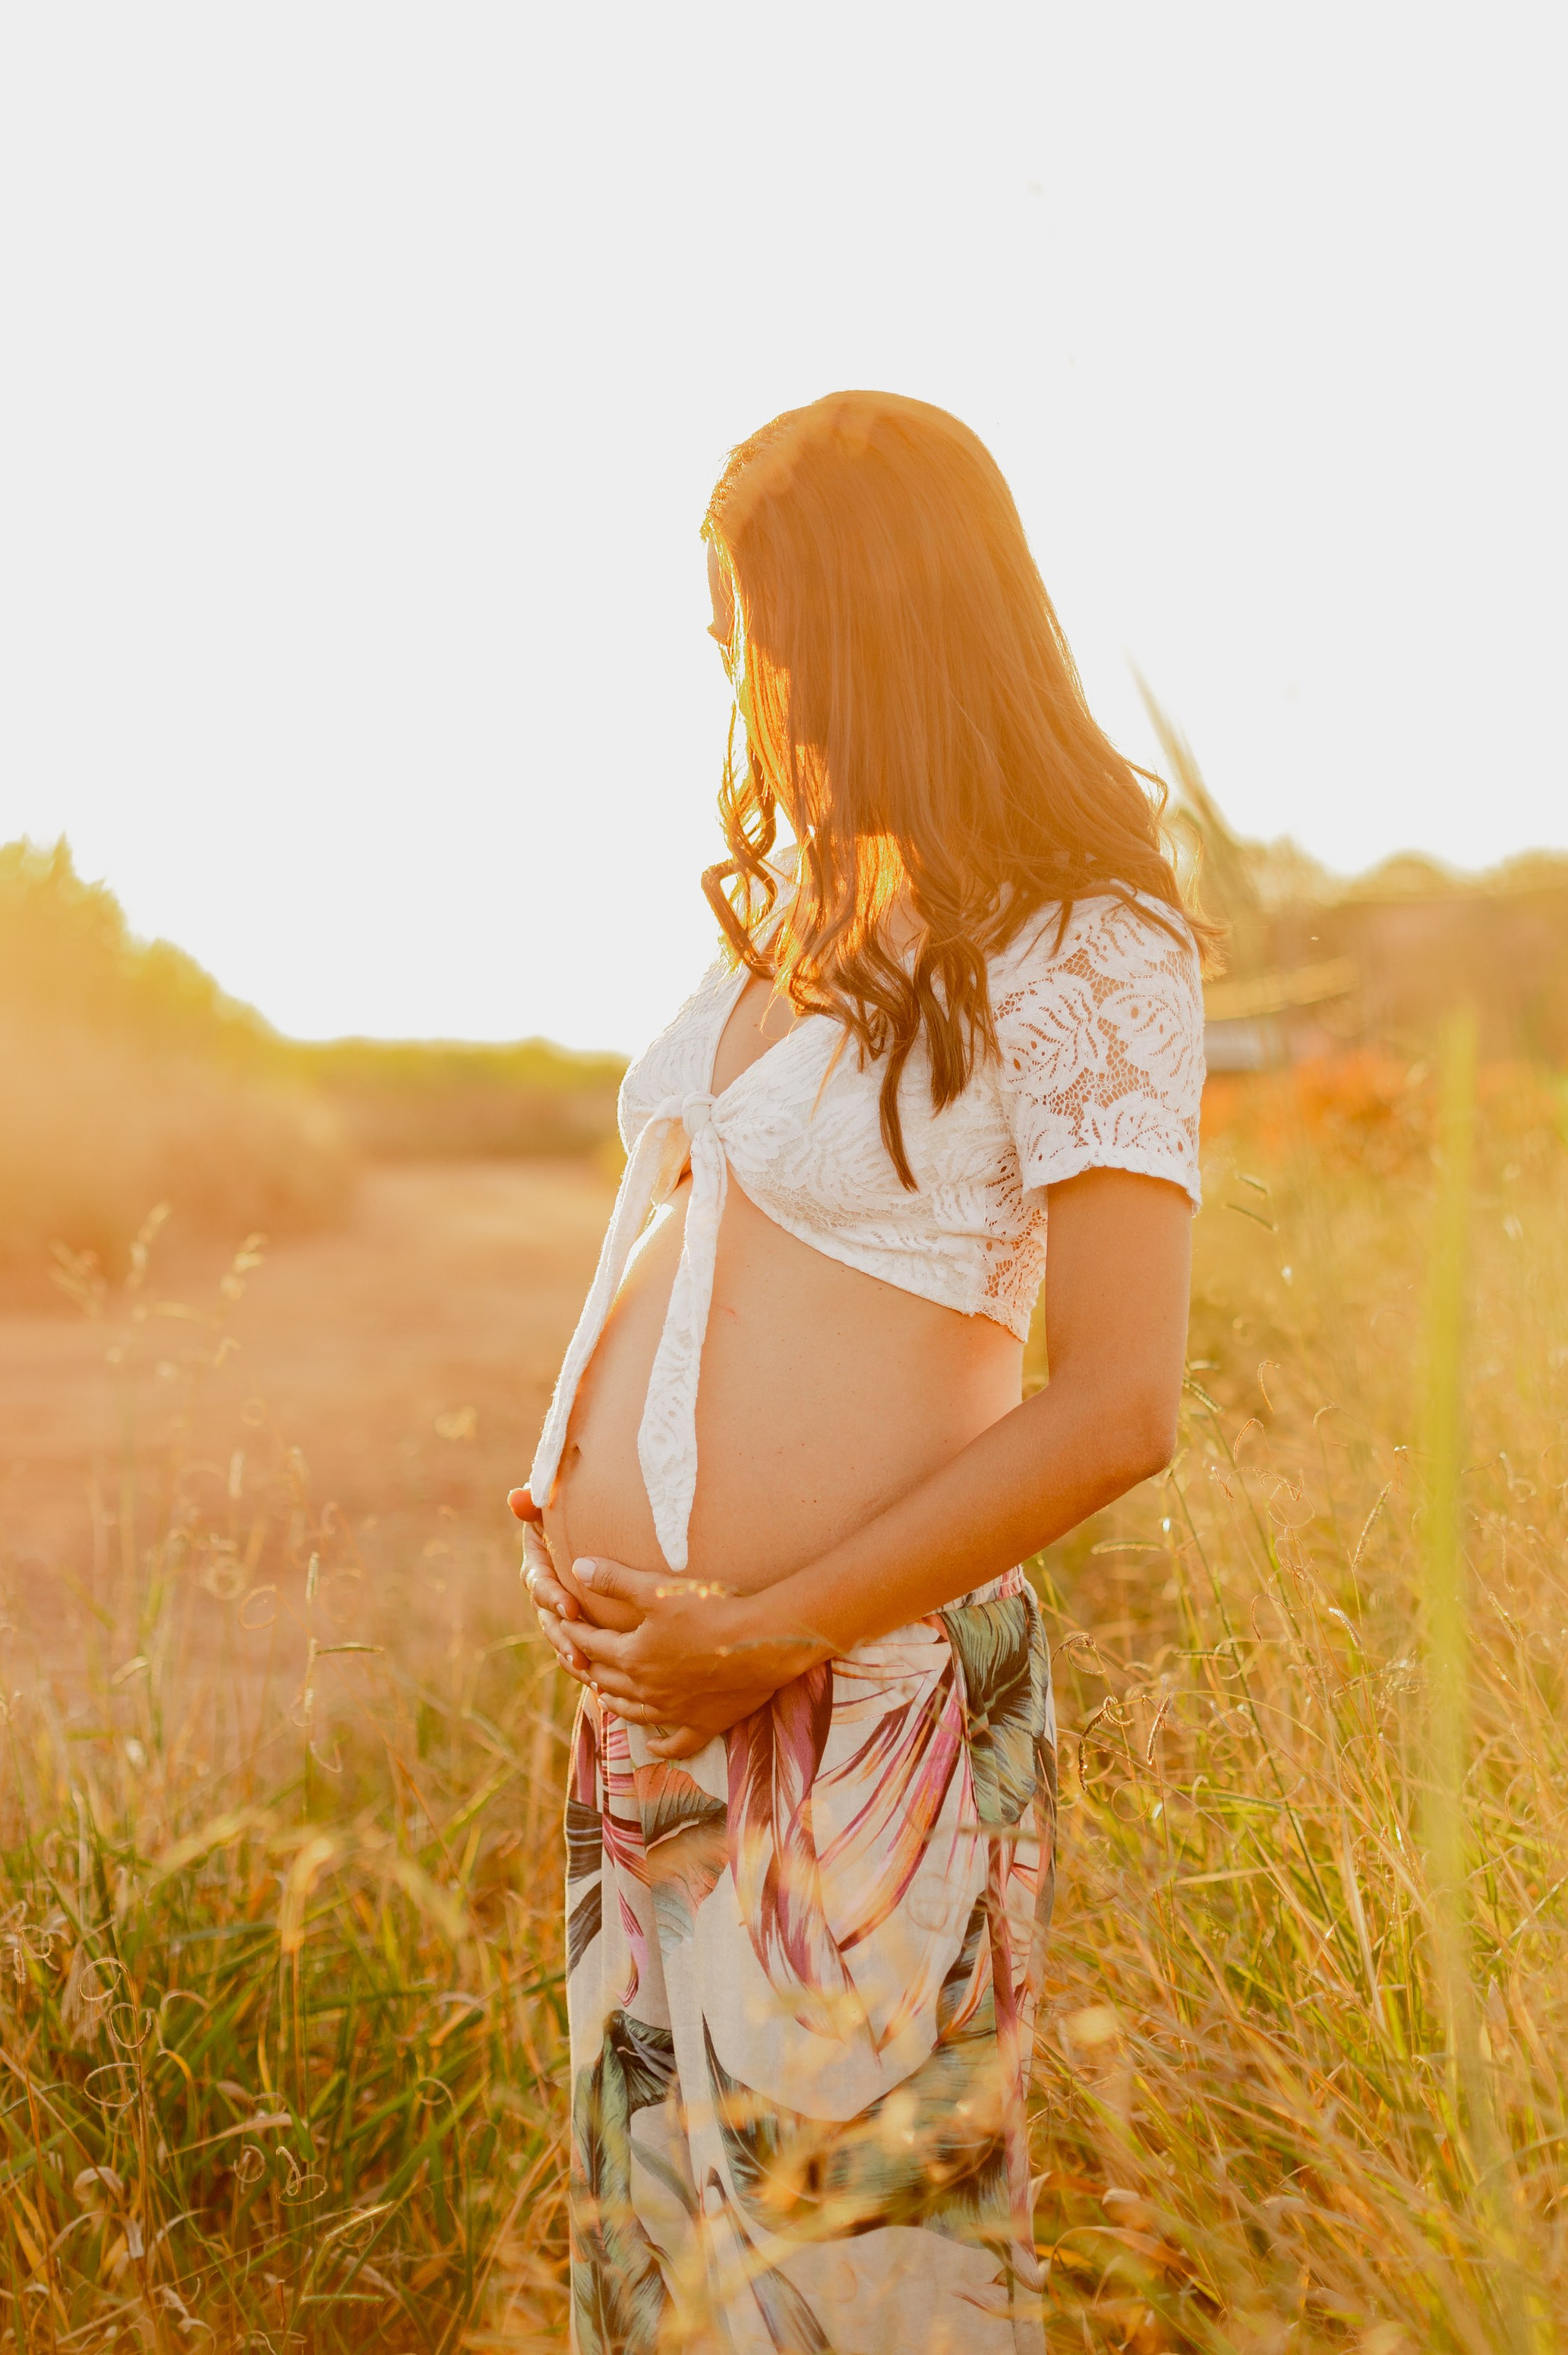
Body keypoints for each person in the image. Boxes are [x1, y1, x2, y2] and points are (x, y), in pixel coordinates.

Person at [510, 393, 1209, 2353]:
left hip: (867, 1707)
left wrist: (779, 1624)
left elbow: (1120, 1405)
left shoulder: (1086, 938)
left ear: (879, 623)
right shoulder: (807, 914)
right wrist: (563, 1484)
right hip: (658, 1719)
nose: (736, 671)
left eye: (760, 623)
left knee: (860, 2291)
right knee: (677, 2290)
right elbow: (699, 1240)